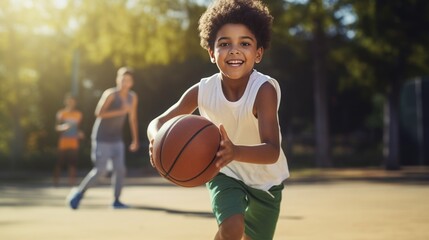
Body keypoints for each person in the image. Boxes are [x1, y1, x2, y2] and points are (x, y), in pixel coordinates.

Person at [147, 0, 289, 239]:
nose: (234, 50)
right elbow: (158, 122)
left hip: (266, 180)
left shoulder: (264, 90)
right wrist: (155, 139)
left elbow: (272, 150)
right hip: (224, 172)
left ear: (258, 53)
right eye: (225, 44)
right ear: (212, 53)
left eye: (244, 43)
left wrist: (235, 151)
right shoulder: (203, 90)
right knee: (232, 228)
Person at [68, 67, 139, 210]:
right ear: (117, 80)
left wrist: (135, 139)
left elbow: (132, 119)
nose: (125, 82)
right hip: (102, 137)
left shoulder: (133, 97)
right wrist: (120, 111)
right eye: (122, 79)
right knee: (101, 170)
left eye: (128, 80)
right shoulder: (111, 94)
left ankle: (116, 200)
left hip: (117, 138)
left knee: (120, 169)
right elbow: (99, 113)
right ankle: (78, 193)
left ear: (131, 83)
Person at [54, 93, 83, 186]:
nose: (71, 103)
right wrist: (63, 127)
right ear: (65, 102)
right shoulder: (61, 113)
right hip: (63, 141)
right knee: (59, 163)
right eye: (69, 101)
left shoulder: (78, 114)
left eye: (72, 101)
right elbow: (56, 127)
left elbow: (79, 128)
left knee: (73, 163)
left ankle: (72, 184)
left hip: (74, 142)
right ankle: (56, 183)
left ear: (75, 103)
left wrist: (80, 133)